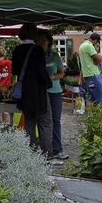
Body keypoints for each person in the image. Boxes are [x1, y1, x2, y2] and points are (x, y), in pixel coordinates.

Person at [12, 23, 57, 163]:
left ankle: (31, 153)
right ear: (34, 35)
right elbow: (41, 71)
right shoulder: (37, 50)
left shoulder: (17, 50)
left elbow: (14, 71)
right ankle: (47, 155)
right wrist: (49, 83)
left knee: (29, 124)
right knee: (45, 123)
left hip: (25, 94)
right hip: (39, 93)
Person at [37, 29, 68, 160]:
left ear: (49, 42)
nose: (40, 43)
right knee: (42, 121)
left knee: (55, 120)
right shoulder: (35, 56)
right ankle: (44, 149)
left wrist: (51, 77)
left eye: (42, 41)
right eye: (38, 41)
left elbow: (61, 72)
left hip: (54, 92)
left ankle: (57, 149)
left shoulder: (54, 56)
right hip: (39, 92)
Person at [79, 33, 102, 104]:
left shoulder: (82, 45)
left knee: (90, 97)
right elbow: (99, 59)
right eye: (96, 43)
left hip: (87, 75)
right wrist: (98, 59)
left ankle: (89, 115)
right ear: (96, 40)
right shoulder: (89, 46)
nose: (95, 45)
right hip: (94, 74)